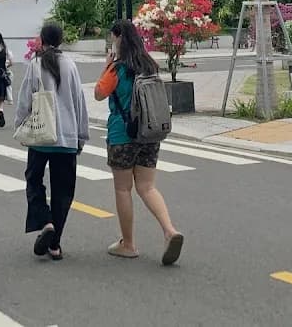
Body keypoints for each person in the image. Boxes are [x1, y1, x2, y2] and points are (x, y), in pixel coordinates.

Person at [95, 19, 184, 266]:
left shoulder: (117, 69)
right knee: (147, 187)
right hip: (149, 134)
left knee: (123, 189)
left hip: (122, 135)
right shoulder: (149, 65)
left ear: (118, 37)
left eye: (112, 38)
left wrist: (106, 66)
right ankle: (169, 230)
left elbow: (99, 93)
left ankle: (128, 244)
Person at [15, 22, 89, 261]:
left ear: (42, 40)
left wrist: (20, 126)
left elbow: (25, 98)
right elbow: (79, 101)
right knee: (63, 190)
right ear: (61, 40)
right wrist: (81, 135)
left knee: (34, 180)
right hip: (66, 136)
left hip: (41, 135)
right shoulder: (70, 65)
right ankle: (55, 244)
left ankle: (45, 221)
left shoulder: (35, 65)